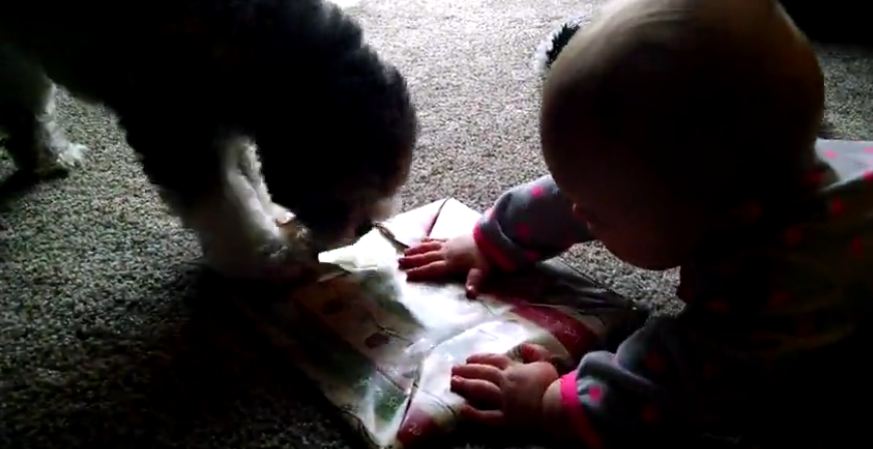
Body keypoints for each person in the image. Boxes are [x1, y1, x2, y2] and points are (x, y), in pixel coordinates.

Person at [398, 0, 873, 446]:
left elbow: (668, 390)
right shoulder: (746, 178)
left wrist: (549, 404)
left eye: (596, 215)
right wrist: (493, 238)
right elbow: (579, 194)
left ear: (707, 216)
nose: (579, 213)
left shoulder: (767, 289)